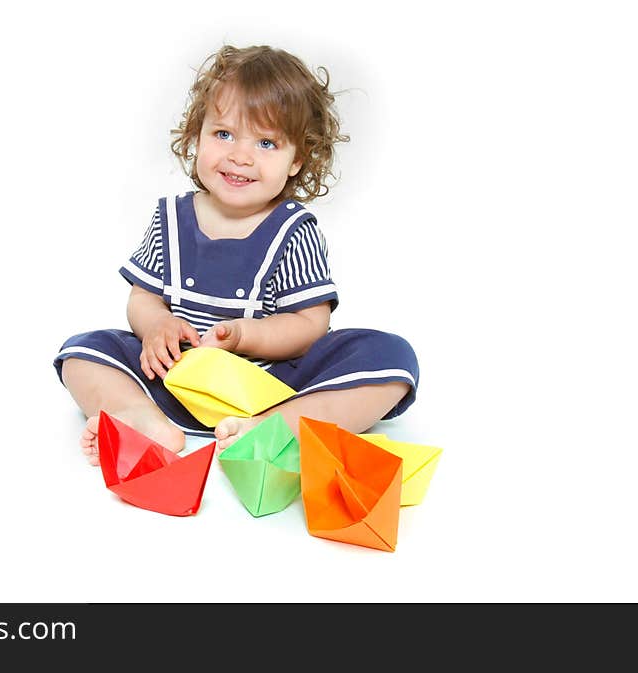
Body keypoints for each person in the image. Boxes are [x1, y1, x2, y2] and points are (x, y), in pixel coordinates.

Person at [53, 44, 419, 465]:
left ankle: (281, 427)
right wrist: (157, 326)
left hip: (270, 384)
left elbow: (311, 323)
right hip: (175, 378)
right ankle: (140, 418)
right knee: (82, 352)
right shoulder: (170, 219)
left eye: (266, 142)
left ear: (297, 159)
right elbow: (143, 297)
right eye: (223, 134)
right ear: (197, 136)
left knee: (391, 356)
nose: (240, 156)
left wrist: (247, 336)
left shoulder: (292, 231)